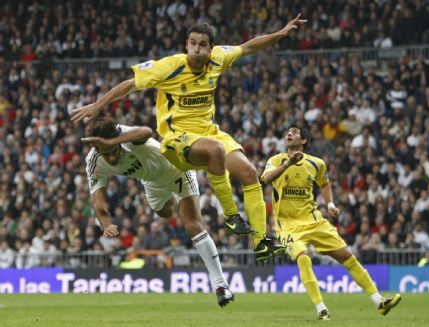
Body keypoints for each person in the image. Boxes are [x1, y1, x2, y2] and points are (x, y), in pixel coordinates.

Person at [72, 14, 307, 262]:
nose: (196, 48)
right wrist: (96, 106)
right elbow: (129, 85)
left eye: (202, 44)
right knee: (215, 150)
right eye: (192, 43)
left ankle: (260, 242)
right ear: (187, 45)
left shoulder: (219, 59)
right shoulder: (170, 66)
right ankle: (231, 216)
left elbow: (249, 46)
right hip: (176, 138)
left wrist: (281, 33)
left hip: (208, 131)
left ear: (211, 48)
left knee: (249, 173)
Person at [83, 117, 233, 307]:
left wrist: (111, 143)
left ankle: (221, 286)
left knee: (191, 224)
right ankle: (175, 198)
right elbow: (98, 199)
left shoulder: (124, 135)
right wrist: (106, 224)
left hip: (176, 167)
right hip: (152, 183)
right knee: (165, 213)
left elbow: (146, 131)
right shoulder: (94, 162)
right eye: (106, 153)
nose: (112, 157)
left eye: (113, 151)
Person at [260, 126, 401, 320]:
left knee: (348, 257)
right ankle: (321, 309)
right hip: (287, 224)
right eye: (287, 132)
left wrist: (331, 204)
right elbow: (265, 179)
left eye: (294, 132)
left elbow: (324, 183)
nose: (289, 134)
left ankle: (379, 301)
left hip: (315, 221)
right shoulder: (275, 160)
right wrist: (287, 165)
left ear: (304, 141)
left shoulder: (316, 163)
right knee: (303, 257)